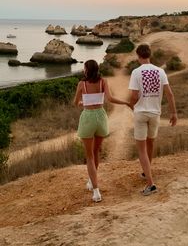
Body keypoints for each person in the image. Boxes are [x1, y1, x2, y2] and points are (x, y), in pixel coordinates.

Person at [73, 59, 129, 202]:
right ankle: (92, 182)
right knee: (96, 151)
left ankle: (96, 192)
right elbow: (110, 98)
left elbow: (75, 103)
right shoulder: (103, 81)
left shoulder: (82, 84)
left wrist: (82, 102)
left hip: (88, 118)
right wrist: (126, 103)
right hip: (101, 117)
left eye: (84, 68)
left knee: (89, 156)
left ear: (87, 70)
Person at [128, 43, 177, 196]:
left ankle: (151, 184)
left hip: (141, 113)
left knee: (141, 149)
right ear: (150, 55)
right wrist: (173, 113)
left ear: (138, 56)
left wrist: (131, 105)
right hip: (156, 113)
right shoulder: (160, 71)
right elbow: (169, 94)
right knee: (150, 143)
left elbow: (134, 96)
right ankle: (145, 172)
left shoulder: (136, 72)